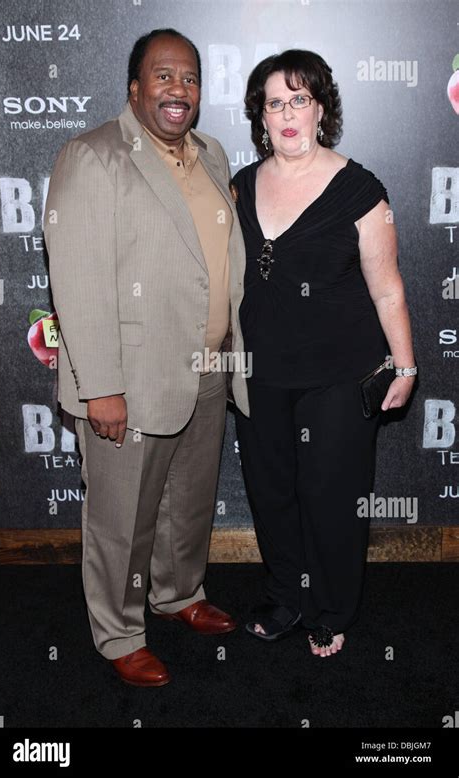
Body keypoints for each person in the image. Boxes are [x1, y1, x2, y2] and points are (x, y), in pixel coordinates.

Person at [44, 28, 249, 686]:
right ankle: (119, 631)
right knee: (121, 519)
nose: (178, 89)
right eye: (164, 76)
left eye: (189, 78)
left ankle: (178, 594)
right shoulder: (93, 155)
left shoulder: (212, 154)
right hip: (127, 378)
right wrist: (100, 386)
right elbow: (75, 280)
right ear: (135, 88)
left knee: (187, 504)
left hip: (206, 369)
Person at [231, 49, 416, 657]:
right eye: (274, 102)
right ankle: (286, 596)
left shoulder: (360, 189)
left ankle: (331, 610)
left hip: (338, 376)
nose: (287, 113)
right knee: (272, 492)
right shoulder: (240, 185)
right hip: (260, 373)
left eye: (299, 99)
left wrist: (406, 364)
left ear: (321, 108)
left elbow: (387, 285)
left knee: (332, 497)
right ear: (261, 114)